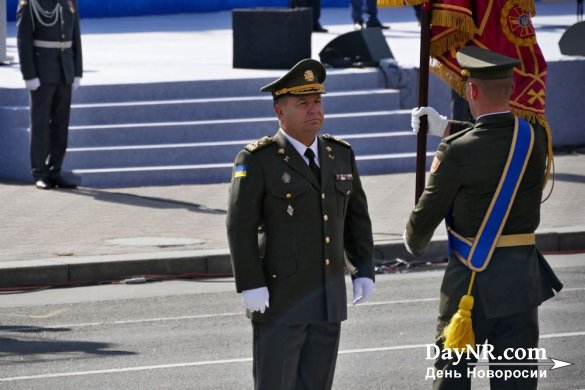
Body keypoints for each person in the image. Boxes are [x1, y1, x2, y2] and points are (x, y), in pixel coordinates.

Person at [404, 47, 562, 389]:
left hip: (469, 287)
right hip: (521, 284)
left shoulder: (457, 152)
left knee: (452, 381)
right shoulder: (535, 140)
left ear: (471, 91)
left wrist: (413, 242)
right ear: (510, 88)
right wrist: (446, 127)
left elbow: (422, 222)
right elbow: (494, 139)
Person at [226, 58, 375, 390]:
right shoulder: (257, 159)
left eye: (317, 101)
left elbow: (356, 218)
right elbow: (240, 225)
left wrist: (364, 268)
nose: (314, 109)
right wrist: (250, 282)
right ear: (281, 112)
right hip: (281, 299)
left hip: (327, 299)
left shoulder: (340, 154)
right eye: (303, 103)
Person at [17, 0, 83, 189]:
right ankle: (40, 172)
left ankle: (56, 169)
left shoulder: (68, 1)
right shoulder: (30, 3)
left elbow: (75, 36)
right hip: (42, 72)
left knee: (61, 123)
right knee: (41, 123)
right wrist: (29, 74)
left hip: (65, 70)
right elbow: (24, 40)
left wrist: (77, 70)